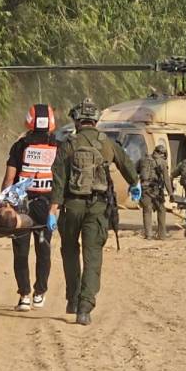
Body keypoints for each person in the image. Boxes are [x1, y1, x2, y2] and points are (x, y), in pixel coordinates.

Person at [50, 98, 140, 325]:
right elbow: (127, 165)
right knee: (92, 257)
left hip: (71, 206)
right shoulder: (107, 144)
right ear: (95, 120)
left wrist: (53, 209)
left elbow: (58, 179)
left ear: (77, 120)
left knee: (69, 251)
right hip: (98, 207)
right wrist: (135, 184)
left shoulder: (68, 144)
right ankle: (84, 308)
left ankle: (72, 298)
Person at [2, 104, 57, 312]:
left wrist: (4, 203)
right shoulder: (57, 146)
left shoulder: (20, 146)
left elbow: (9, 178)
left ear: (29, 121)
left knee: (21, 251)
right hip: (46, 209)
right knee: (43, 250)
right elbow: (60, 179)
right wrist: (56, 207)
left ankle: (24, 295)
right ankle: (39, 294)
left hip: (22, 208)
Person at [136, 142, 173, 239]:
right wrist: (171, 193)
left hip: (144, 188)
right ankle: (162, 234)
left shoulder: (142, 160)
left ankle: (148, 235)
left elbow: (135, 171)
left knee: (147, 210)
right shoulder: (162, 162)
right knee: (161, 210)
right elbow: (166, 179)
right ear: (162, 154)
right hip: (156, 189)